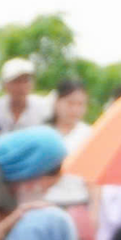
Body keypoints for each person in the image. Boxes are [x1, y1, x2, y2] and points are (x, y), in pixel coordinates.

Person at [43, 79, 94, 220]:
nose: (75, 110)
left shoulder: (89, 134)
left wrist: (94, 211)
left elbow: (93, 177)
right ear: (57, 102)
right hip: (47, 203)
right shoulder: (43, 133)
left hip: (78, 202)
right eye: (70, 103)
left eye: (80, 104)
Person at [0, 58, 51, 133]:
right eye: (16, 81)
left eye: (26, 81)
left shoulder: (44, 108)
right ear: (5, 85)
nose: (22, 87)